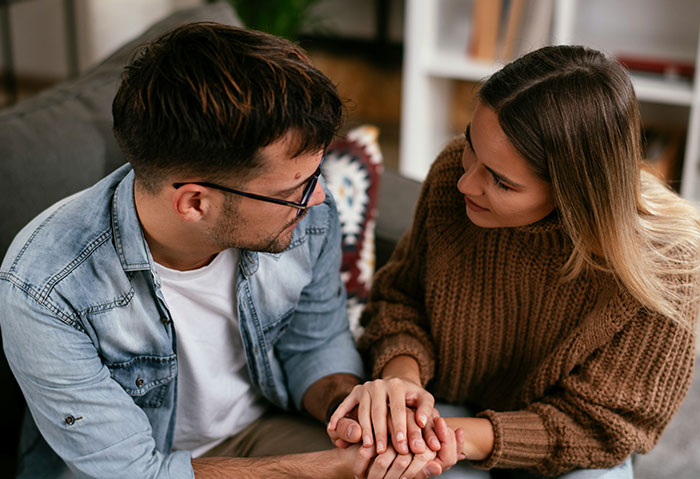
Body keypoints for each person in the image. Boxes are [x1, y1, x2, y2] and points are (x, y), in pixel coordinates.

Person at [0, 23, 462, 478]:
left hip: (264, 431)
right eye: (294, 189)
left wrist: (354, 406)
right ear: (195, 203)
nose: (318, 198)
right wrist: (332, 468)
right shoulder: (45, 289)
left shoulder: (305, 214)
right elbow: (133, 472)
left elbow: (314, 344)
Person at [329, 45, 700, 478]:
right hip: (440, 404)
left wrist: (459, 437)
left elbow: (605, 425)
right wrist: (402, 385)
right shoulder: (454, 174)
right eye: (471, 143)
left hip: (565, 444)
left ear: (573, 193)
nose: (466, 182)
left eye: (501, 182)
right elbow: (402, 299)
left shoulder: (669, 265)